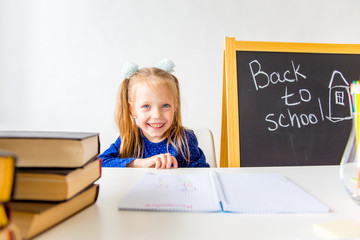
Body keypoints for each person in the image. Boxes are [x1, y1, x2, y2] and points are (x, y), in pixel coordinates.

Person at [99, 60, 210, 168]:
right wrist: (140, 163)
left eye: (165, 105)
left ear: (175, 106)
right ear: (132, 109)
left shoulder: (185, 139)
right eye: (146, 106)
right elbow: (100, 162)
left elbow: (202, 173)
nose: (156, 115)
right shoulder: (129, 138)